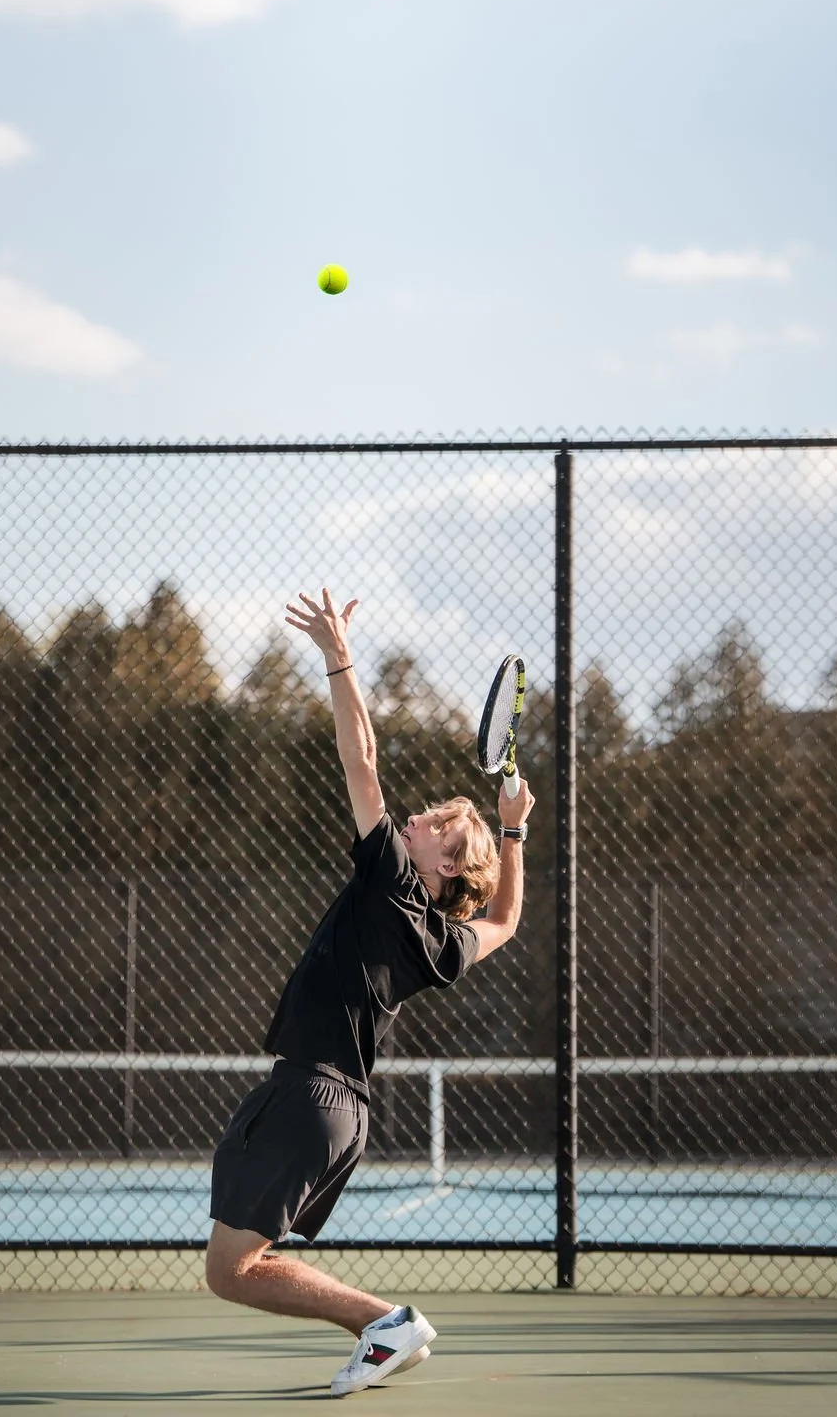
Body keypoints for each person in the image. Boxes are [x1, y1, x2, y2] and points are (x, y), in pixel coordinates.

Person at [205, 589, 534, 1397]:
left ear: (442, 865)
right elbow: (508, 922)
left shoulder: (392, 880)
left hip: (314, 1093)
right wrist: (515, 829)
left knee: (230, 1271)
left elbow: (361, 760)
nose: (414, 818)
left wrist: (338, 654)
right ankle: (383, 1326)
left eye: (433, 825)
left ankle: (386, 1322)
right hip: (338, 1108)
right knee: (244, 1260)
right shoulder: (446, 944)